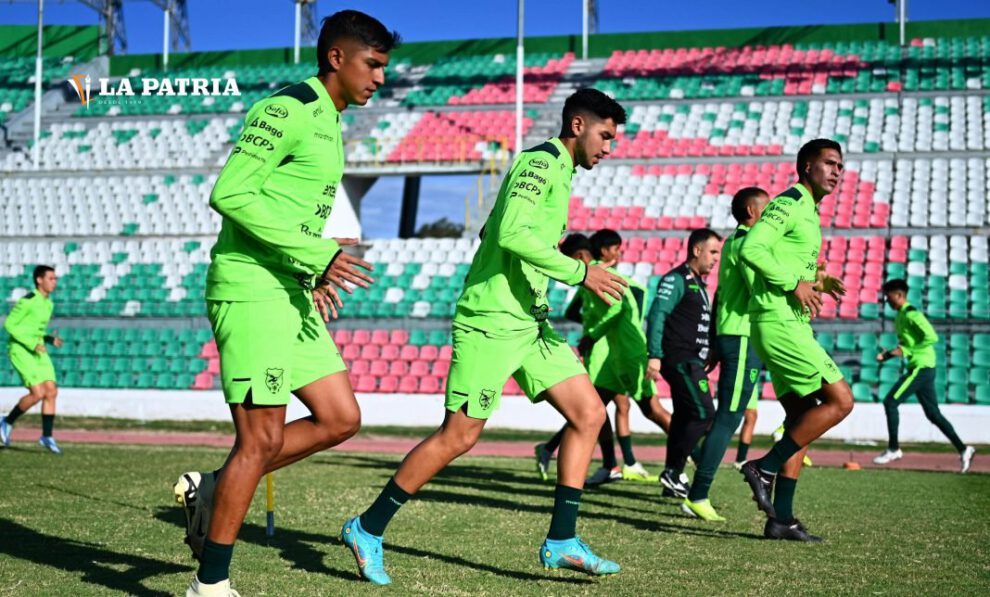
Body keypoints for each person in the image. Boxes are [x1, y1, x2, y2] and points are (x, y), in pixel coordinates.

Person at [340, 88, 629, 585]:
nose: (609, 147)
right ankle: (367, 527)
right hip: (492, 321)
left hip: (528, 322)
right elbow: (512, 235)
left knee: (589, 413)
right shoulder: (541, 163)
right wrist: (581, 275)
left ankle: (561, 540)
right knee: (459, 436)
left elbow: (497, 231)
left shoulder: (558, 172)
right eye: (605, 135)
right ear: (578, 126)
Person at [174, 11, 400, 596]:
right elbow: (229, 192)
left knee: (340, 417)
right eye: (372, 64)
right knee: (262, 441)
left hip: (289, 291)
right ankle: (211, 585)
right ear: (336, 58)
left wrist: (311, 269)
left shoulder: (330, 119)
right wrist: (316, 253)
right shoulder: (288, 108)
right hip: (251, 290)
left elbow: (286, 211)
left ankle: (214, 488)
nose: (380, 77)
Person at [737, 138, 854, 542]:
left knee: (803, 419)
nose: (837, 171)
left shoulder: (808, 209)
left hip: (786, 321)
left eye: (840, 165)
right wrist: (794, 284)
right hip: (780, 321)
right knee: (841, 401)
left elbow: (790, 259)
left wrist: (819, 278)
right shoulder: (789, 202)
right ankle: (763, 467)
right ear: (806, 167)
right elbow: (751, 248)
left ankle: (781, 520)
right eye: (829, 163)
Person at [537, 230, 670, 486]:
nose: (618, 254)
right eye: (616, 249)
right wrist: (593, 328)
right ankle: (615, 464)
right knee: (601, 407)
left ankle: (686, 457)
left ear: (578, 256)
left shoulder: (595, 274)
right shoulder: (591, 275)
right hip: (612, 348)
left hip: (614, 348)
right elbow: (579, 309)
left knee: (632, 407)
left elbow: (627, 301)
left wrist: (595, 332)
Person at [683, 187, 769, 521]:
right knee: (729, 416)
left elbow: (722, 294)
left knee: (731, 416)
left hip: (738, 335)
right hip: (744, 336)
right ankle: (698, 492)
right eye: (768, 209)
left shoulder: (737, 242)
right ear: (751, 210)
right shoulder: (747, 244)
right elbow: (759, 288)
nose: (773, 215)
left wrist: (717, 342)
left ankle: (695, 470)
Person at [645, 228, 722, 498]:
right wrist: (653, 354)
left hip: (692, 358)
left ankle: (671, 478)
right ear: (696, 250)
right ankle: (674, 471)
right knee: (704, 413)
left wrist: (709, 351)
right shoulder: (676, 279)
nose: (715, 259)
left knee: (683, 417)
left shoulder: (698, 283)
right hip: (679, 357)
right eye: (712, 252)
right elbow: (657, 314)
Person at [874, 279, 975, 473]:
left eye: (888, 298)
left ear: (898, 295)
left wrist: (907, 350)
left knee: (890, 402)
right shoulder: (900, 316)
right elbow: (905, 346)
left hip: (922, 367)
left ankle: (894, 449)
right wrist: (887, 355)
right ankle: (964, 449)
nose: (887, 302)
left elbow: (932, 337)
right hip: (922, 367)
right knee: (933, 414)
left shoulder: (912, 314)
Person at [0, 265, 64, 454]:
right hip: (21, 350)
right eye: (51, 278)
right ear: (39, 280)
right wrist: (31, 343)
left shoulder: (48, 304)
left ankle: (46, 436)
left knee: (51, 391)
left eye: (55, 278)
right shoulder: (27, 301)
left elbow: (35, 329)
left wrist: (48, 339)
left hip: (38, 349)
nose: (55, 282)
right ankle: (6, 422)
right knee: (37, 393)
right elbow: (10, 325)